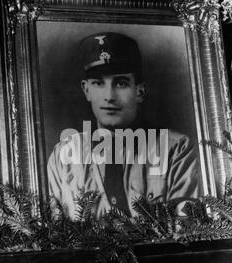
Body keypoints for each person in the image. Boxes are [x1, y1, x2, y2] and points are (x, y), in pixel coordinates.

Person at [47, 32, 199, 219]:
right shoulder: (64, 155)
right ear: (86, 90)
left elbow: (189, 231)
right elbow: (52, 234)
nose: (109, 96)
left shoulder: (176, 149)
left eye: (121, 83)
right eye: (98, 83)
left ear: (140, 91)